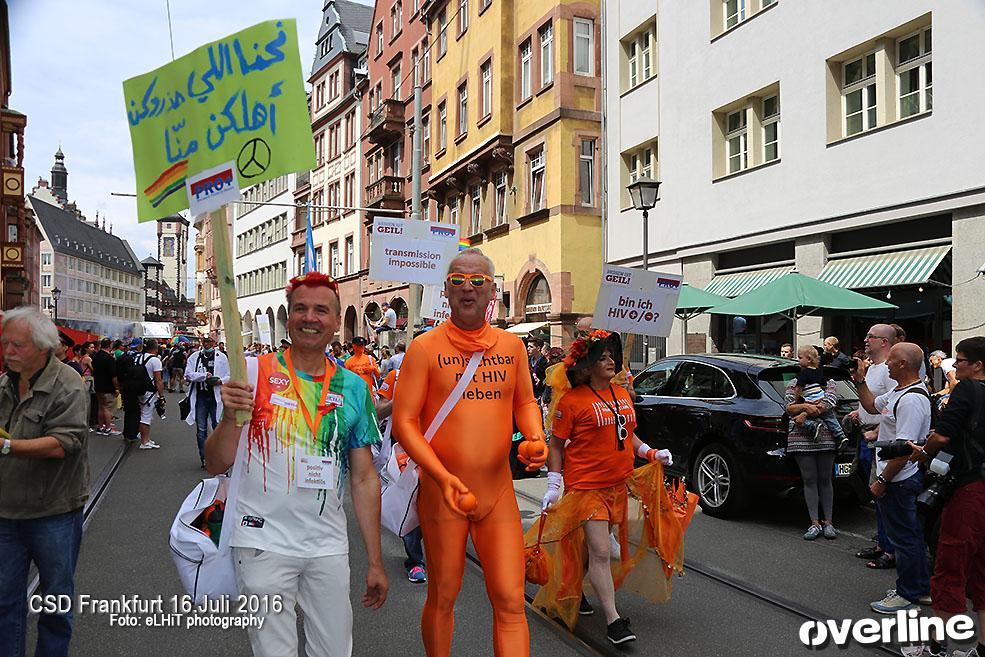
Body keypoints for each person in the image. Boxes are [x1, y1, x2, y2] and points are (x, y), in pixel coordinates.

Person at [205, 271, 387, 657]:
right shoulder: (253, 374)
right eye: (301, 309)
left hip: (326, 544)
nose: (310, 317)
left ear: (337, 321)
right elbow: (215, 462)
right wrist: (227, 417)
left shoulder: (354, 388)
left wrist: (375, 561)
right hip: (261, 541)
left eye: (321, 310)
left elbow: (365, 478)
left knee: (335, 650)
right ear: (288, 318)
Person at [392, 248, 548, 657]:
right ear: (445, 290)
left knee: (512, 602)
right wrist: (441, 478)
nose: (468, 289)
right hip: (444, 495)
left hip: (497, 493)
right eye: (458, 281)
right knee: (444, 596)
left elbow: (525, 403)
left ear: (492, 290)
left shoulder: (512, 347)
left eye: (477, 282)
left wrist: (534, 437)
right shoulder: (424, 348)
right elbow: (403, 423)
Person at [538, 330, 674, 645]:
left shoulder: (622, 395)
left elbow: (630, 436)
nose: (611, 360)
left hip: (617, 485)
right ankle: (613, 622)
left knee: (588, 549)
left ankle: (569, 593)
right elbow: (556, 445)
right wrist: (553, 484)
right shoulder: (570, 402)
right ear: (586, 367)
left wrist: (652, 453)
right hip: (586, 487)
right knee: (601, 550)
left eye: (612, 355)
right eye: (602, 357)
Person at [0, 307, 89, 657]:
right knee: (5, 602)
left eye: (16, 345)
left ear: (42, 347)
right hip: (7, 512)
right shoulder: (5, 383)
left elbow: (63, 444)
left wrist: (8, 446)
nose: (7, 351)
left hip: (54, 512)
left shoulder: (68, 385)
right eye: (5, 343)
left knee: (55, 602)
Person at [905, 336, 985, 657]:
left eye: (960, 360)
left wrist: (923, 452)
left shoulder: (968, 389)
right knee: (982, 569)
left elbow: (943, 433)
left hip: (967, 488)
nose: (955, 365)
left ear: (977, 365)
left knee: (949, 564)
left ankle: (936, 646)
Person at [855, 342, 932, 614]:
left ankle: (907, 595)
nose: (886, 364)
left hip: (900, 478)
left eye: (892, 360)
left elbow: (904, 450)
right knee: (909, 536)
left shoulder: (912, 400)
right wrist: (859, 379)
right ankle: (920, 590)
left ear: (903, 364)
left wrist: (883, 481)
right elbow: (870, 406)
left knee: (904, 539)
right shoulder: (897, 392)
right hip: (896, 476)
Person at [373, 355, 427, 584]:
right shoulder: (396, 377)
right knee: (411, 503)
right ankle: (415, 561)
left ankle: (436, 556)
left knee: (435, 508)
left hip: (440, 450)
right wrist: (398, 397)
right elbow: (378, 412)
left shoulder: (445, 375)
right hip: (406, 451)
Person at [854, 323, 899, 569]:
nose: (866, 340)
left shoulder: (889, 371)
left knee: (883, 494)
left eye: (871, 336)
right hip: (866, 435)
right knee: (875, 496)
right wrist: (857, 412)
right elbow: (873, 402)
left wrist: (877, 431)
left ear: (884, 342)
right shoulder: (872, 369)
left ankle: (890, 549)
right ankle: (882, 543)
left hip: (880, 439)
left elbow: (894, 409)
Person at [785, 347, 842, 540]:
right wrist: (803, 407)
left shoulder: (828, 382)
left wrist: (802, 412)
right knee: (809, 480)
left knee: (826, 479)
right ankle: (814, 523)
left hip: (825, 437)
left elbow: (829, 402)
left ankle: (829, 522)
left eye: (800, 357)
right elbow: (788, 407)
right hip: (801, 439)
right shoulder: (794, 382)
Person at [184, 336, 229, 469]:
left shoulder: (221, 357)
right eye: (205, 341)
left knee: (217, 428)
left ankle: (219, 456)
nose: (207, 343)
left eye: (209, 341)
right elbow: (188, 374)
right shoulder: (195, 357)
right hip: (200, 398)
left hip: (216, 398)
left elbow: (229, 375)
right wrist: (203, 376)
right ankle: (205, 458)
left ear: (214, 343)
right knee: (201, 430)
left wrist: (219, 381)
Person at [790, 345, 847, 444]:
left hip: (809, 400)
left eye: (800, 357)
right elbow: (824, 386)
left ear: (808, 359)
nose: (798, 360)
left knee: (797, 419)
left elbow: (799, 388)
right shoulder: (819, 372)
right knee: (830, 417)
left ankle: (812, 425)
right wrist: (822, 398)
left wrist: (796, 399)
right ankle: (840, 435)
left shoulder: (804, 373)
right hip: (820, 398)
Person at [135, 339, 166, 450]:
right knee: (146, 416)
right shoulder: (155, 360)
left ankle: (146, 438)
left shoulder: (139, 357)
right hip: (149, 391)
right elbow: (158, 379)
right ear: (156, 348)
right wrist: (161, 395)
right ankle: (144, 441)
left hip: (138, 389)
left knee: (143, 414)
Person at [92, 338, 121, 436]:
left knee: (101, 407)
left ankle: (101, 426)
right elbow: (113, 376)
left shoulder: (96, 356)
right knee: (108, 407)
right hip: (108, 387)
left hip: (98, 385)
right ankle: (108, 427)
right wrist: (117, 387)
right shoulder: (109, 359)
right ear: (109, 346)